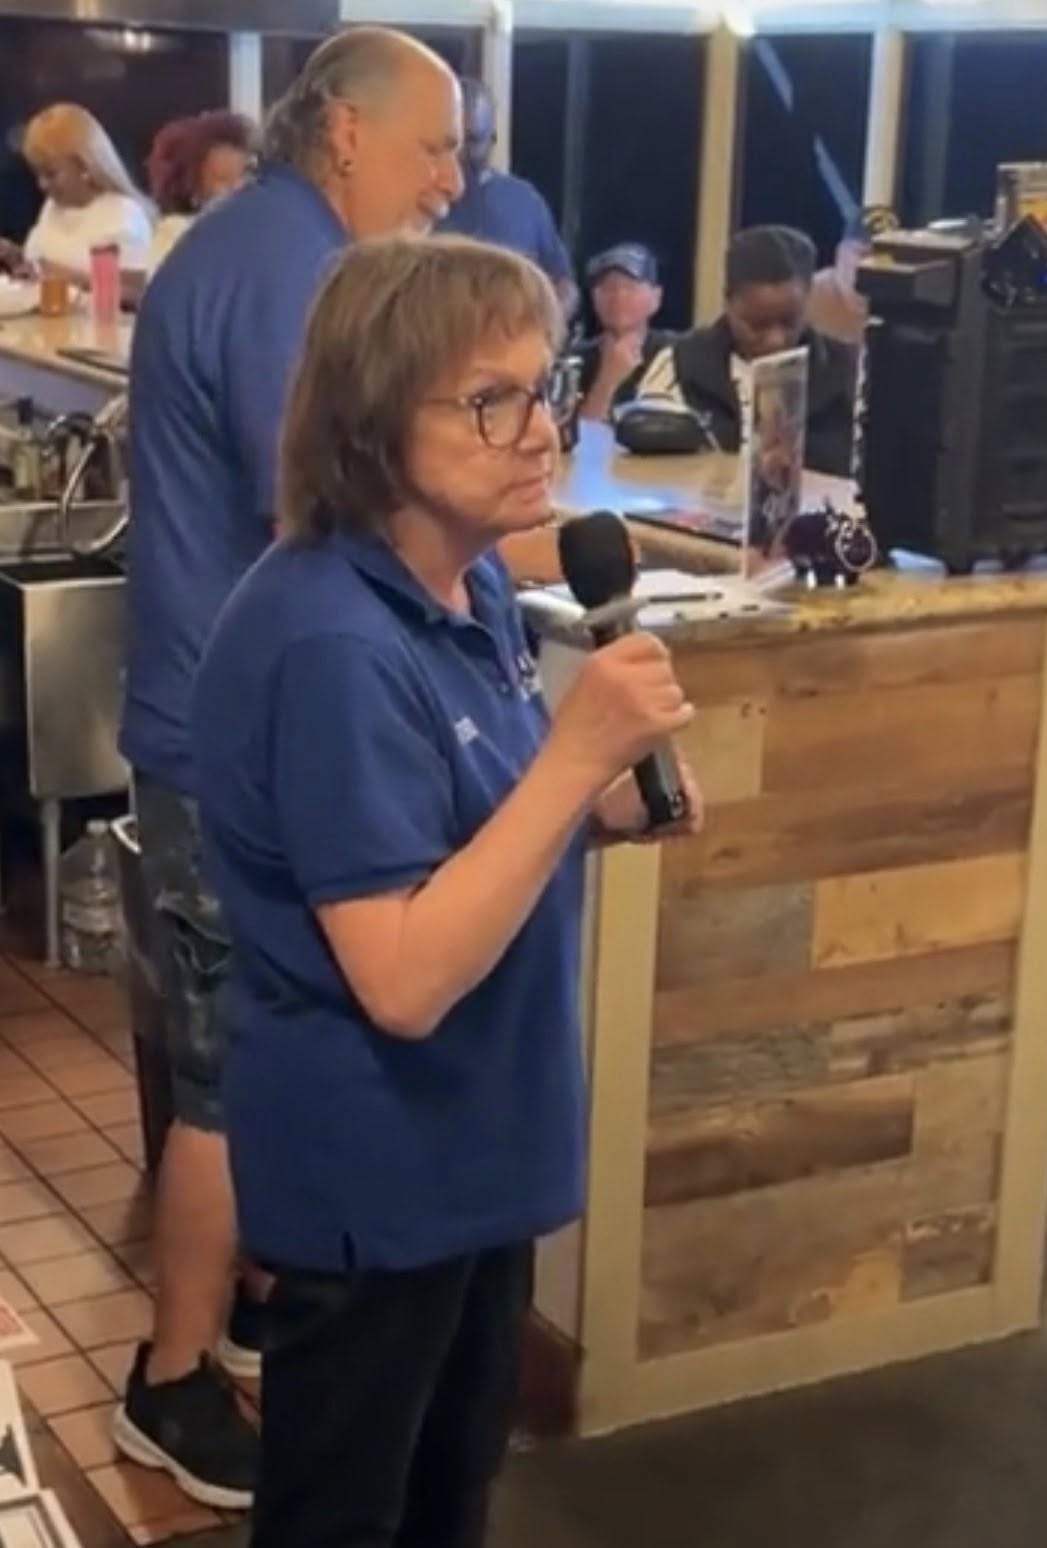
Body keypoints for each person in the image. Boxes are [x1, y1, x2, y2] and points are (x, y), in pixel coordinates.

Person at [191, 233, 702, 1548]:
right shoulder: (330, 642)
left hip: (474, 1151)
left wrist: (595, 805)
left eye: (546, 385)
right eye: (490, 399)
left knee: (446, 1505)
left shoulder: (464, 585)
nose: (541, 430)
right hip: (378, 1177)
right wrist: (574, 757)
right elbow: (405, 978)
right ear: (370, 424)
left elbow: (461, 834)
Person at [113, 27, 464, 1510]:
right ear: (346, 135)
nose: (450, 183)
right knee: (227, 1078)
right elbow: (321, 506)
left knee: (261, 1052)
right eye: (436, 147)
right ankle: (171, 1378)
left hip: (213, 722)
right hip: (229, 743)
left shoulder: (255, 244)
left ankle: (254, 1306)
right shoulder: (296, 274)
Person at [633, 224, 856, 476]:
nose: (775, 340)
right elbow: (642, 462)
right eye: (757, 325)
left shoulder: (848, 372)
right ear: (728, 303)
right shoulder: (681, 362)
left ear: (807, 301)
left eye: (789, 322)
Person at [438, 77, 578, 318]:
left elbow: (564, 283)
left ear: (491, 141)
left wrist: (544, 323)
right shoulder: (411, 197)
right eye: (452, 141)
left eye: (472, 140)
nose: (461, 153)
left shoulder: (523, 201)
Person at [0, 104, 153, 285]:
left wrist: (55, 274)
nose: (42, 184)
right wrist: (16, 258)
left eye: (51, 174)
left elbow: (132, 291)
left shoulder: (121, 215)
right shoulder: (52, 207)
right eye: (37, 173)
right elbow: (42, 265)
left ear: (84, 166)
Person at [144, 111, 258, 277]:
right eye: (223, 180)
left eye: (248, 174)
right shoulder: (177, 235)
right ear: (193, 191)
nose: (241, 189)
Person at [578, 242, 674, 421]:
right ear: (594, 297)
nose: (618, 296)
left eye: (630, 287)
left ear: (656, 298)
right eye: (608, 288)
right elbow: (581, 436)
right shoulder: (575, 361)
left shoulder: (677, 354)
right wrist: (607, 380)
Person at [808, 204, 898, 347]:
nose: (873, 267)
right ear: (840, 253)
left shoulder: (905, 309)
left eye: (883, 258)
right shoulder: (805, 298)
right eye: (863, 255)